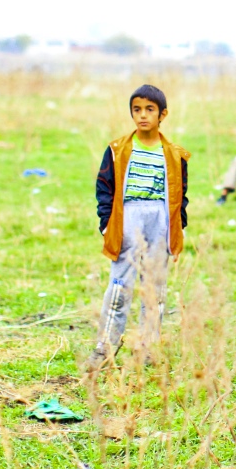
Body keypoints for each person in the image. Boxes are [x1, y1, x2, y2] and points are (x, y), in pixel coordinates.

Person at [87, 84, 190, 372]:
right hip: (127, 216)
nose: (142, 115)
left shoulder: (174, 154)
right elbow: (104, 187)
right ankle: (105, 347)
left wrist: (177, 227)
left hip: (160, 219)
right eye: (136, 109)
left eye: (149, 110)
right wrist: (106, 223)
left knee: (154, 285)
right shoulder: (118, 149)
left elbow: (181, 194)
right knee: (120, 284)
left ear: (162, 114)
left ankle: (149, 347)